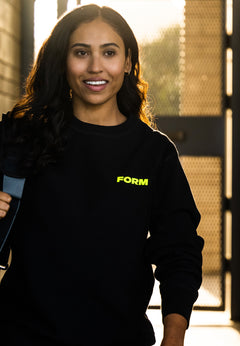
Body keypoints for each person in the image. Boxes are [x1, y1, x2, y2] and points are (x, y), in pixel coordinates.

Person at [0, 4, 204, 346]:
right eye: (81, 53)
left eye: (109, 53)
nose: (95, 67)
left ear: (127, 61)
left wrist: (174, 337)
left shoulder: (154, 153)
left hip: (120, 337)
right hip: (21, 335)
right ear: (63, 60)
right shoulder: (18, 138)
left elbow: (179, 251)